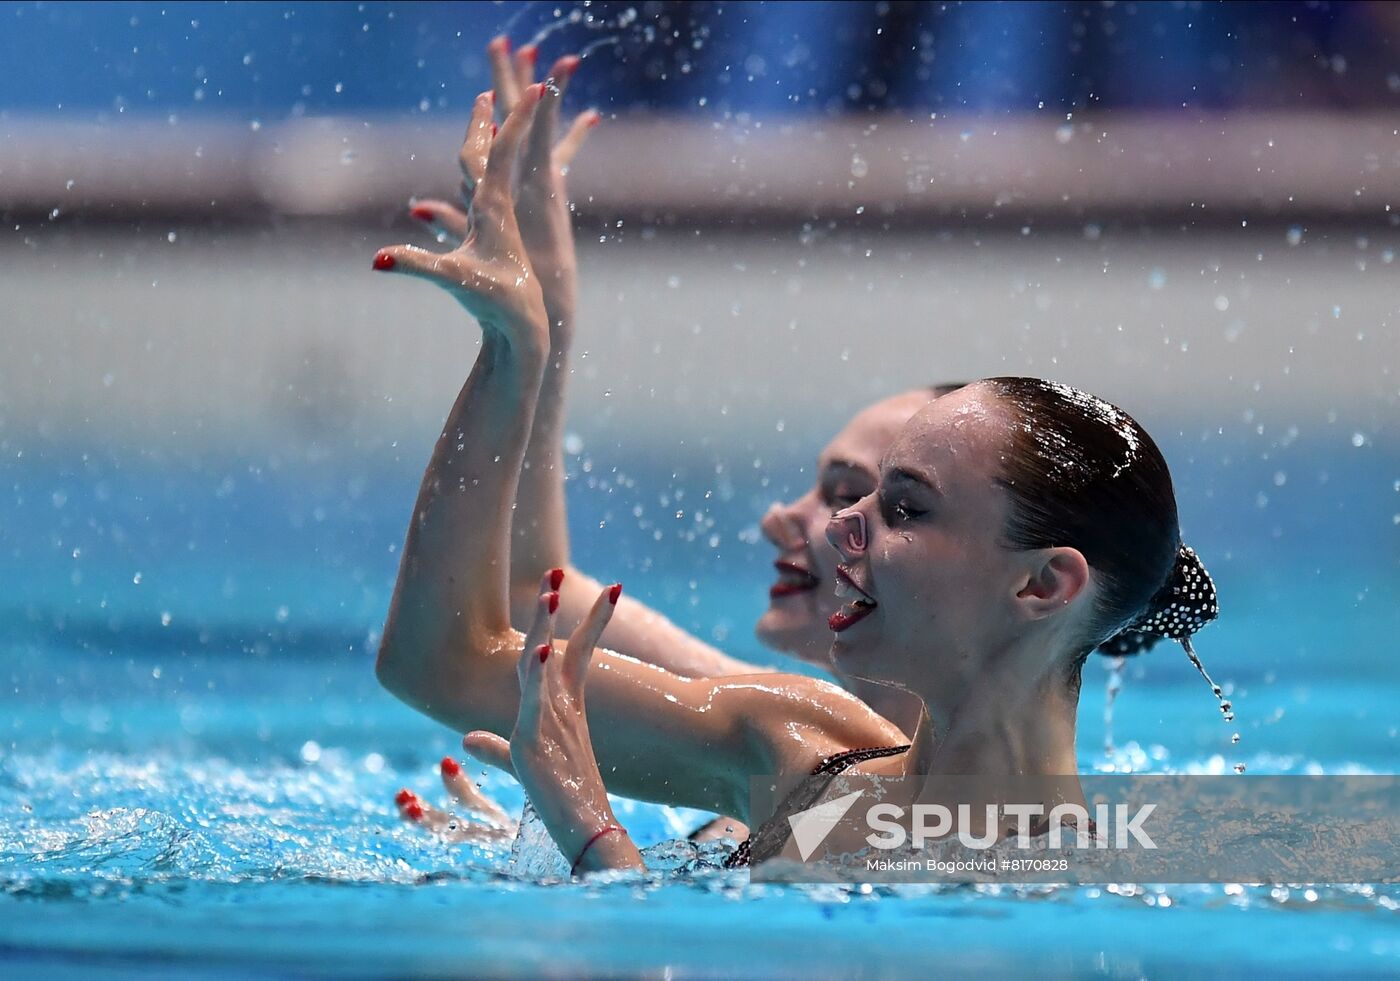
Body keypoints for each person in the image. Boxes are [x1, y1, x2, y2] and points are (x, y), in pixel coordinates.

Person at [371, 85, 1218, 875]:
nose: (839, 524)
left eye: (905, 507)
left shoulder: (1059, 885)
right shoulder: (802, 752)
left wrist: (596, 841)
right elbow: (440, 661)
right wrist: (515, 351)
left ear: (1041, 582)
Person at [384, 35, 959, 834]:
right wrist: (545, 314)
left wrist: (592, 839)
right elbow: (524, 594)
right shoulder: (820, 745)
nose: (784, 518)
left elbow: (442, 655)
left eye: (860, 496)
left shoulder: (812, 754)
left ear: (1042, 583)